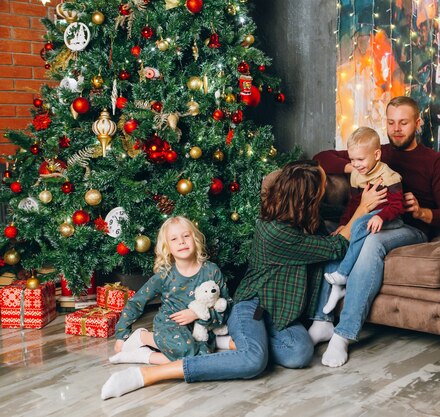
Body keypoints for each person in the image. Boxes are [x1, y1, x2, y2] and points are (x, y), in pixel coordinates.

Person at [101, 160, 385, 399]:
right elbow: (336, 248)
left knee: (299, 353)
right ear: (307, 197)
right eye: (323, 188)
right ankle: (149, 373)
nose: (327, 191)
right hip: (253, 308)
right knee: (254, 362)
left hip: (284, 316)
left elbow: (330, 241)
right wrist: (363, 209)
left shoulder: (307, 221)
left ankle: (224, 344)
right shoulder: (276, 231)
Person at [309, 96, 440, 368]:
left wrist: (422, 212)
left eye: (403, 123)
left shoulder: (434, 161)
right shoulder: (376, 152)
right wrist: (355, 167)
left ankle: (343, 335)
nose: (396, 129)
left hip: (410, 229)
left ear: (417, 123)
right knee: (339, 233)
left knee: (371, 241)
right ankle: (321, 322)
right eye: (391, 123)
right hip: (372, 219)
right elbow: (322, 158)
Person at [108, 215, 232, 367]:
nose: (181, 241)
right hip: (169, 324)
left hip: (198, 327)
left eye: (186, 236)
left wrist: (196, 314)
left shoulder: (211, 270)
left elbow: (226, 305)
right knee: (187, 350)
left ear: (195, 239)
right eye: (174, 239)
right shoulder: (165, 275)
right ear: (167, 247)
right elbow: (136, 302)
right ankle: (143, 337)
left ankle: (144, 355)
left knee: (202, 357)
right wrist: (121, 335)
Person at [322, 126, 404, 315]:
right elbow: (353, 205)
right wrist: (343, 223)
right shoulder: (357, 175)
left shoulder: (389, 176)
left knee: (360, 224)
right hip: (369, 219)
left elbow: (397, 206)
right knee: (354, 224)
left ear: (376, 154)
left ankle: (342, 274)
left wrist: (380, 216)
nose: (356, 164)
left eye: (360, 159)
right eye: (352, 159)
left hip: (391, 220)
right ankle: (338, 288)